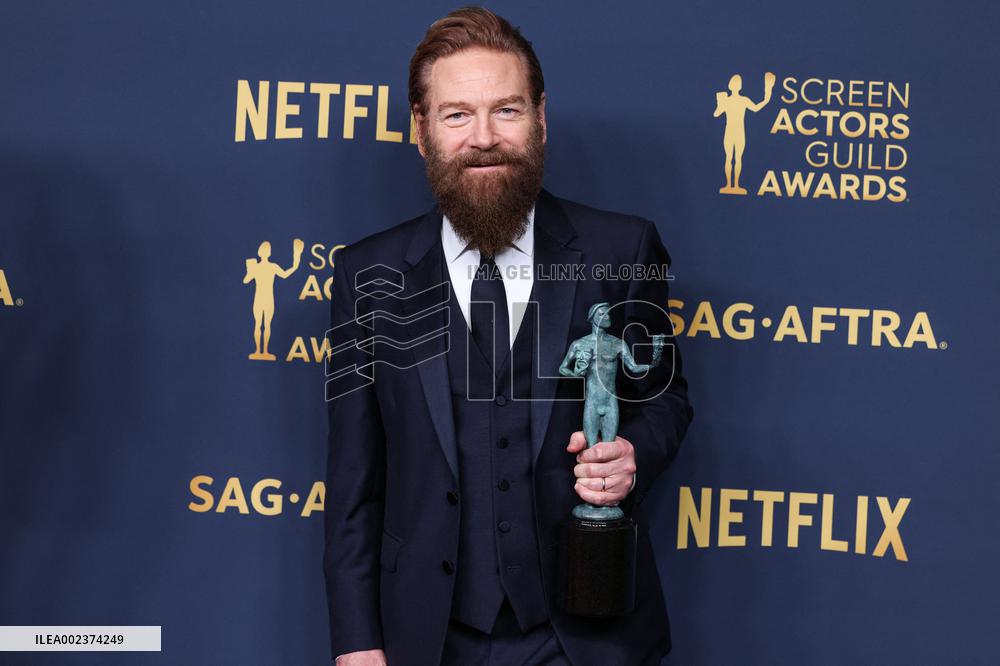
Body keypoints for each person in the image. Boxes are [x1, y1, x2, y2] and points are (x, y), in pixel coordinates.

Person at [324, 8, 693, 666]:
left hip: (586, 634)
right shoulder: (367, 276)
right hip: (428, 639)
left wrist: (632, 452)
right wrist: (357, 642)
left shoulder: (621, 248)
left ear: (541, 118)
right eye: (457, 114)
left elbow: (665, 399)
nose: (484, 137)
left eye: (507, 110)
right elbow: (353, 481)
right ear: (421, 130)